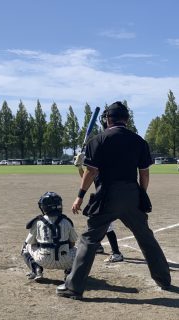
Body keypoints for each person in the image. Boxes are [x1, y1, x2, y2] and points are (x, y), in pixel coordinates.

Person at [57, 101, 171, 300]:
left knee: (89, 240)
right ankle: (163, 279)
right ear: (126, 119)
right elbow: (143, 174)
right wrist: (140, 195)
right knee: (146, 237)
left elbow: (91, 172)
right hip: (131, 195)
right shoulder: (139, 141)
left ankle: (74, 287)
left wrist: (80, 195)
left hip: (107, 195)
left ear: (108, 119)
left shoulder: (98, 140)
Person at [21, 192, 78, 282]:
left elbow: (31, 242)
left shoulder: (38, 222)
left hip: (43, 260)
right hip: (66, 261)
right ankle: (69, 273)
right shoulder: (67, 221)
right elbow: (72, 243)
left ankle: (37, 270)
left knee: (25, 247)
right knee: (79, 250)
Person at [77, 166, 124, 263]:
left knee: (107, 226)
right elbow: (86, 179)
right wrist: (79, 167)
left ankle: (116, 253)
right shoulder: (99, 170)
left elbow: (88, 177)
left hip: (107, 201)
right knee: (95, 222)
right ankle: (98, 247)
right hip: (103, 199)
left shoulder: (104, 171)